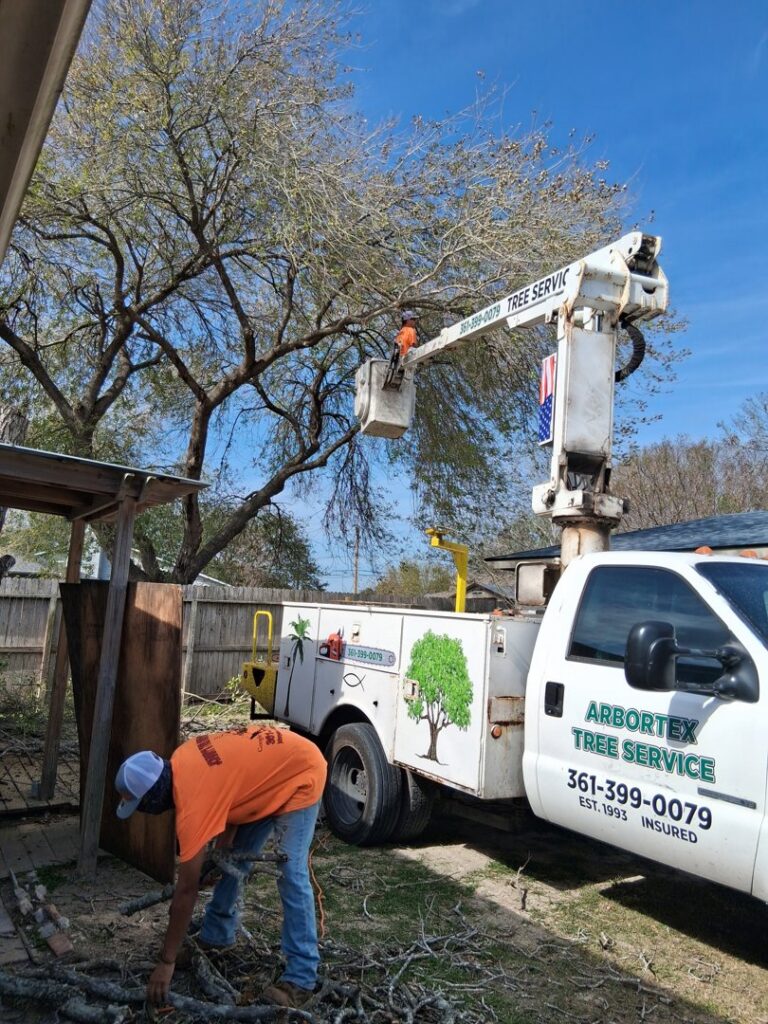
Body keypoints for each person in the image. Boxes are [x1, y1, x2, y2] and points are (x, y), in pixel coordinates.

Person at [115, 726, 327, 1010]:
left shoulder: (192, 803)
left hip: (299, 772)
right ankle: (216, 936)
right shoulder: (182, 760)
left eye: (141, 805)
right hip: (267, 778)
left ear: (153, 798)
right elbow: (232, 789)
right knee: (231, 858)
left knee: (291, 871)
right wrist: (221, 852)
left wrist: (167, 960)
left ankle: (302, 979)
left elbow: (186, 891)